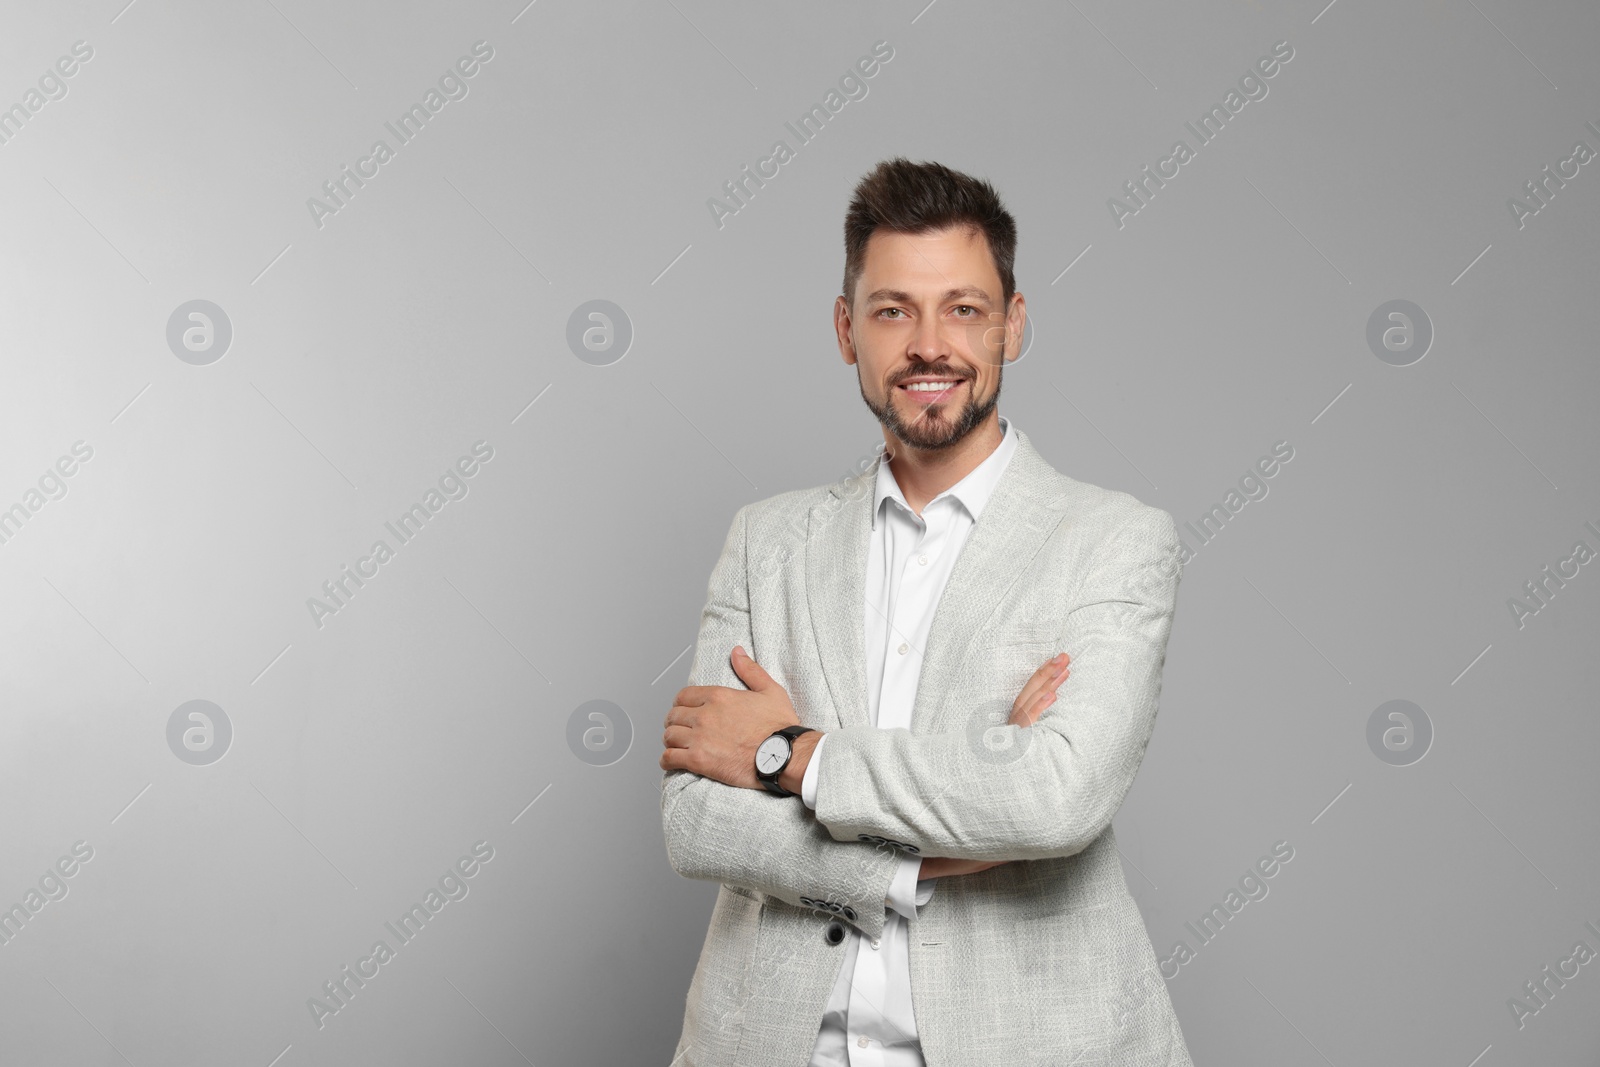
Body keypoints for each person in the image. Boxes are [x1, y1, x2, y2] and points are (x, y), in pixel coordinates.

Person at [661, 157, 1192, 1066]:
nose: (929, 345)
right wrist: (934, 854)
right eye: (893, 310)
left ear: (1013, 325)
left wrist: (789, 753)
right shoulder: (766, 541)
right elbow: (695, 818)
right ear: (846, 329)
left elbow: (1054, 797)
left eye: (964, 308)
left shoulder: (1115, 540)